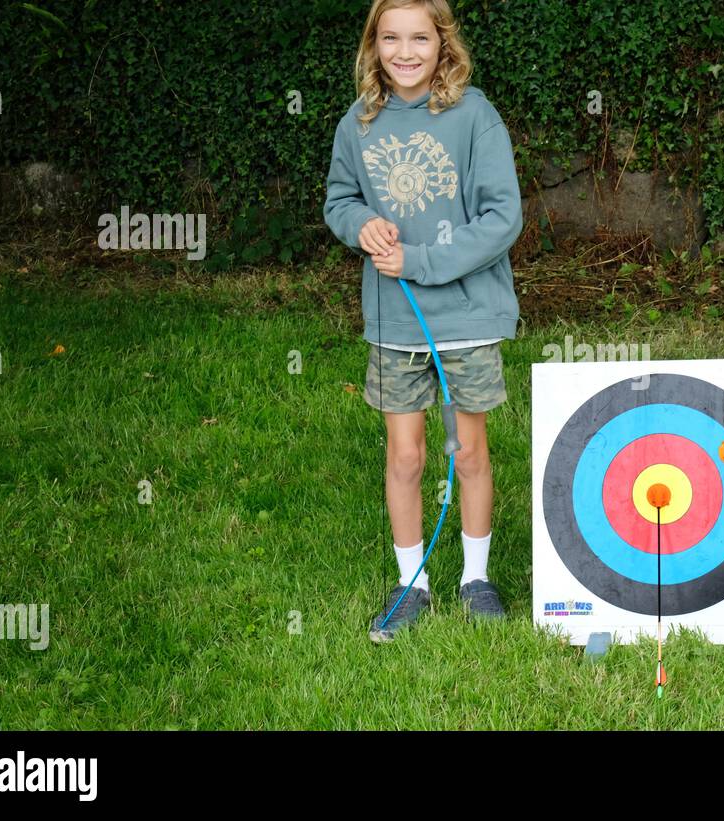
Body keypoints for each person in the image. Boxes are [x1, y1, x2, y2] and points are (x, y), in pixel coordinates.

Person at [323, 0, 523, 643]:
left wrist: (423, 260)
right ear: (372, 44)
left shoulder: (474, 115)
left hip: (466, 318)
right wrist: (361, 225)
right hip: (395, 326)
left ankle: (476, 579)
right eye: (390, 38)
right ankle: (412, 584)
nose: (404, 52)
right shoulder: (359, 122)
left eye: (419, 38)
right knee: (405, 456)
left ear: (443, 44)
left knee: (468, 451)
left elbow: (502, 218)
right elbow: (340, 198)